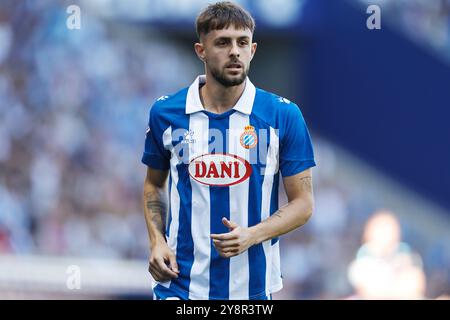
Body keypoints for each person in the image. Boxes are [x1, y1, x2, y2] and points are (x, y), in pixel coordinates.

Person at [142, 1, 316, 300]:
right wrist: (157, 241)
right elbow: (153, 185)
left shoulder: (282, 116)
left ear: (253, 50)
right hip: (180, 287)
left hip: (252, 291)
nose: (234, 51)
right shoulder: (166, 113)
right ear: (201, 51)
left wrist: (252, 235)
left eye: (242, 42)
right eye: (223, 42)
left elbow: (303, 204)